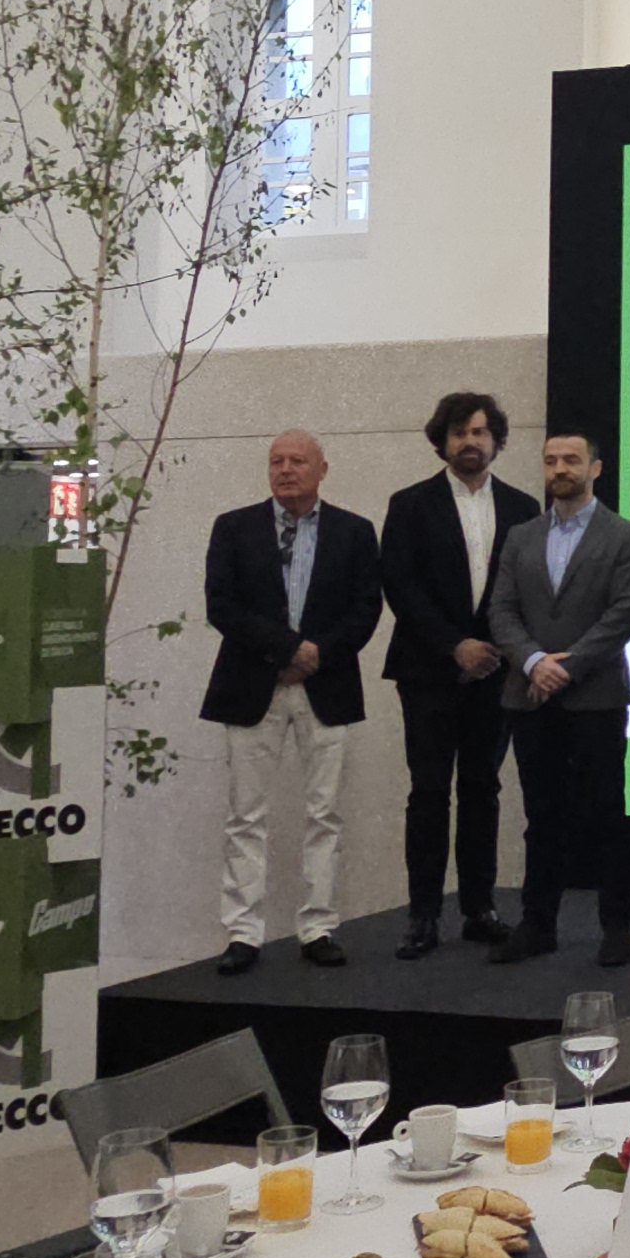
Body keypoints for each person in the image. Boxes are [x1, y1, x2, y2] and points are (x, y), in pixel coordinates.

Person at [199, 430, 384, 975]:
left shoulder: (354, 531)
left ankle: (318, 927)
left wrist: (314, 656)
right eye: (276, 461)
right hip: (250, 686)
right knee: (245, 816)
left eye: (298, 461)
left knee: (324, 814)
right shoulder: (233, 528)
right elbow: (221, 606)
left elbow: (366, 609)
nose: (285, 470)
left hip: (326, 687)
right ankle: (243, 933)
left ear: (322, 469)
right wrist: (285, 650)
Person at [379, 391, 540, 957]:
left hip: (496, 671)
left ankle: (479, 908)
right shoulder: (409, 504)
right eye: (459, 433)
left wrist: (492, 649)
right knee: (428, 791)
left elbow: (527, 590)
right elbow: (400, 585)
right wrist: (455, 646)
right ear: (441, 441)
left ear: (496, 441)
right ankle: (423, 916)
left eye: (479, 432)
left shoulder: (523, 508)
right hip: (427, 670)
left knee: (483, 789)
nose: (470, 442)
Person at [488, 428, 630, 967]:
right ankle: (538, 925)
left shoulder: (624, 535)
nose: (560, 469)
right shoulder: (521, 536)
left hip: (597, 695)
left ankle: (616, 927)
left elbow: (625, 613)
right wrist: (534, 661)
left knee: (606, 814)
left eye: (571, 460)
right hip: (529, 696)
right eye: (551, 460)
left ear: (595, 469)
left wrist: (568, 665)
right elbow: (501, 611)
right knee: (541, 816)